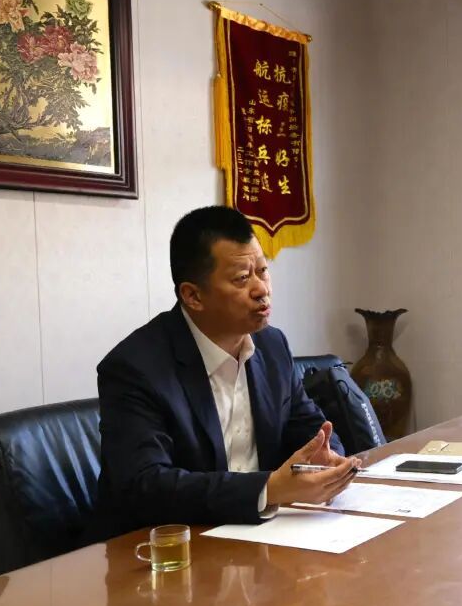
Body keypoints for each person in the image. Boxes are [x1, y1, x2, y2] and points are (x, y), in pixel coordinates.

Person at [93, 206, 359, 537]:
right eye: (242, 278)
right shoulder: (135, 367)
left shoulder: (272, 346)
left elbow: (310, 429)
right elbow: (145, 486)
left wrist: (325, 458)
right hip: (166, 547)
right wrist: (268, 489)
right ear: (193, 296)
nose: (261, 289)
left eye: (263, 271)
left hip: (261, 535)